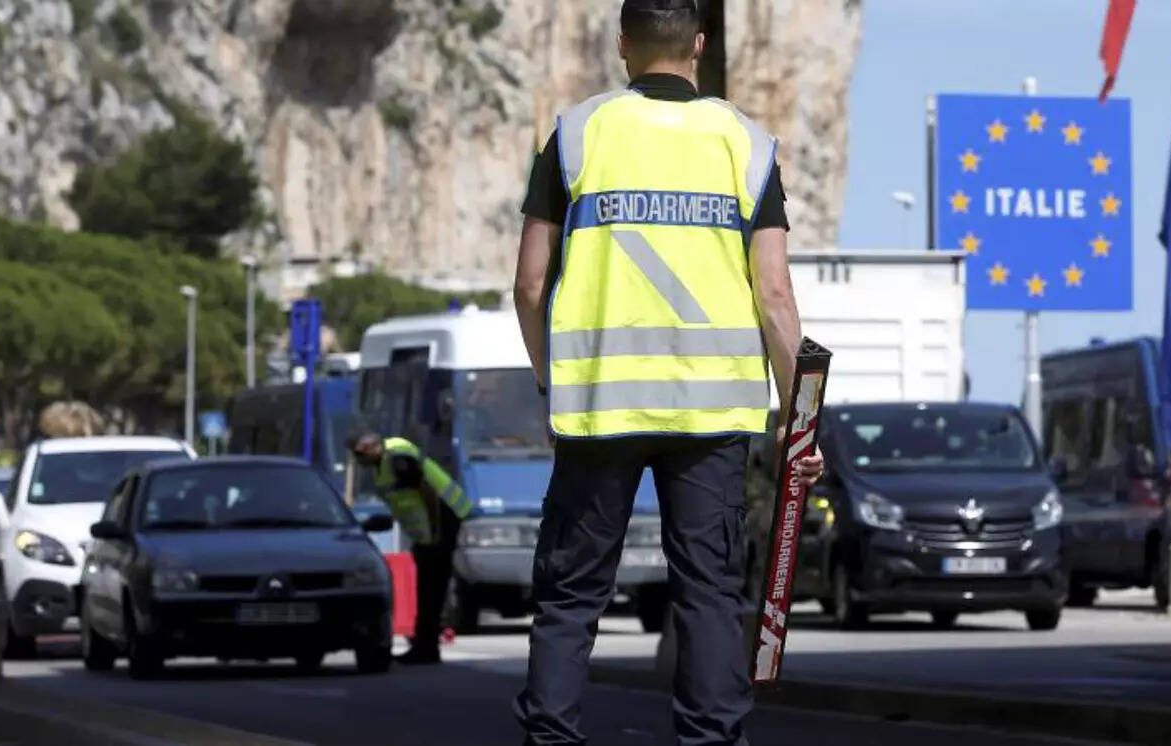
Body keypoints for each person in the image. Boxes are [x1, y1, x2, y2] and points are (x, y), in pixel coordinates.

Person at [511, 2, 823, 743]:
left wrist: (555, 383)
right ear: (701, 43)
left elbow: (529, 284)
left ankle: (551, 737)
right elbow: (774, 295)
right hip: (713, 415)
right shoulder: (745, 145)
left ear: (623, 44)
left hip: (599, 410)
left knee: (570, 596)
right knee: (709, 593)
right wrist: (801, 423)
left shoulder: (577, 133)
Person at [347, 432, 472, 664]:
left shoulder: (397, 457)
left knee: (431, 586)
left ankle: (426, 647)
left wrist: (435, 536)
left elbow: (428, 494)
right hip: (431, 530)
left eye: (358, 454)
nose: (359, 461)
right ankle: (425, 646)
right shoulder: (383, 464)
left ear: (369, 448)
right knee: (428, 586)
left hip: (442, 521)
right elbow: (405, 502)